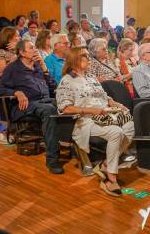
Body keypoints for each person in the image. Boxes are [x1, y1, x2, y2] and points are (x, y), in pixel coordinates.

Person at [57, 47, 134, 196]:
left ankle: (105, 165)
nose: (90, 58)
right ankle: (111, 179)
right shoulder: (67, 81)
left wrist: (116, 104)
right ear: (75, 60)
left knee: (130, 126)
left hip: (105, 116)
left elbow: (104, 97)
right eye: (85, 56)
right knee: (116, 132)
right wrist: (93, 111)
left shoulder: (91, 77)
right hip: (85, 121)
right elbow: (65, 108)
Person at [0, 40, 62, 174]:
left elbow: (53, 87)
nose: (35, 50)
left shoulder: (38, 66)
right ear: (22, 52)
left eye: (35, 47)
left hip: (45, 100)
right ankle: (52, 159)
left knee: (65, 105)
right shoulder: (13, 68)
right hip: (25, 106)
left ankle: (73, 144)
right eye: (31, 48)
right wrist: (16, 92)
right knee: (49, 110)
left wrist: (44, 68)